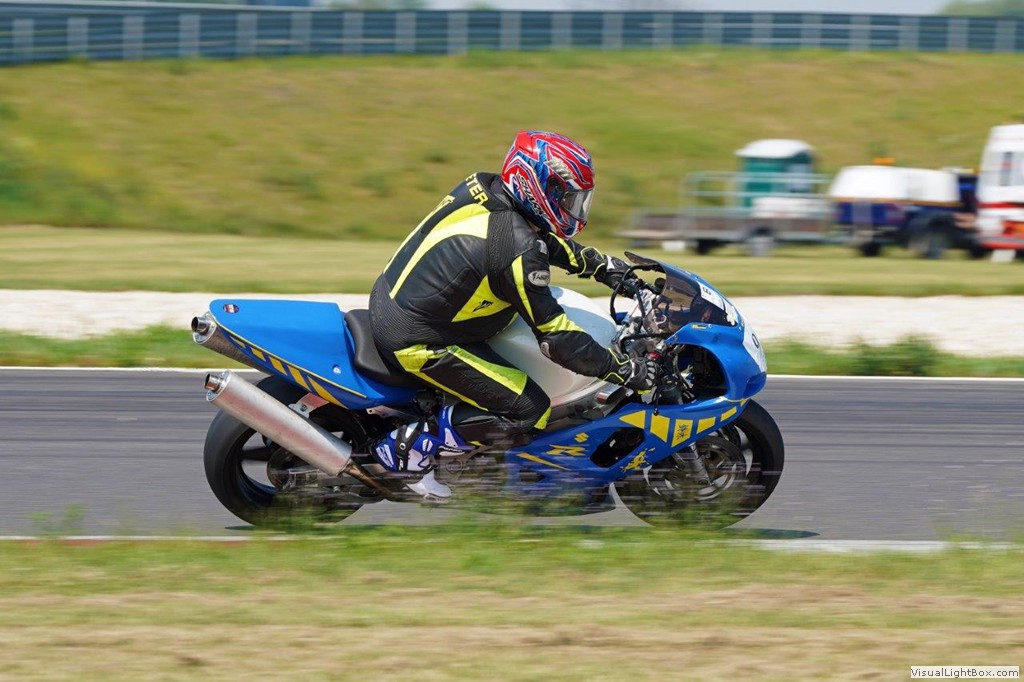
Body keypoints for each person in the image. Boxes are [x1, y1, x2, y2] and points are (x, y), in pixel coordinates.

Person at [368, 130, 658, 498]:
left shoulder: (485, 186)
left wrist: (606, 267)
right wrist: (622, 369)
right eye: (567, 198)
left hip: (399, 298)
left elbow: (540, 240)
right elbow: (559, 340)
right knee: (528, 409)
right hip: (420, 338)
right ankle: (410, 448)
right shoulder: (518, 250)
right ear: (534, 186)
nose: (574, 209)